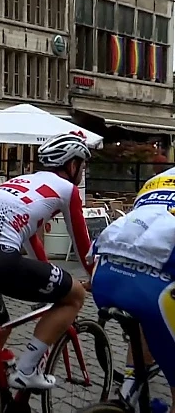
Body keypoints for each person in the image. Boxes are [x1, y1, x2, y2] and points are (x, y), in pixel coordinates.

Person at [0, 132, 93, 404]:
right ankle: (27, 370)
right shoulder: (67, 190)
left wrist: (50, 275)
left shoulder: (18, 183)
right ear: (72, 166)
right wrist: (94, 276)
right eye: (82, 166)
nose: (81, 172)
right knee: (74, 295)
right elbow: (84, 249)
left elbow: (29, 237)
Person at [91, 166, 175, 412]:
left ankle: (129, 391)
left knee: (143, 322)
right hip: (154, 292)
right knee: (155, 316)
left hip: (105, 277)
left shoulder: (157, 179)